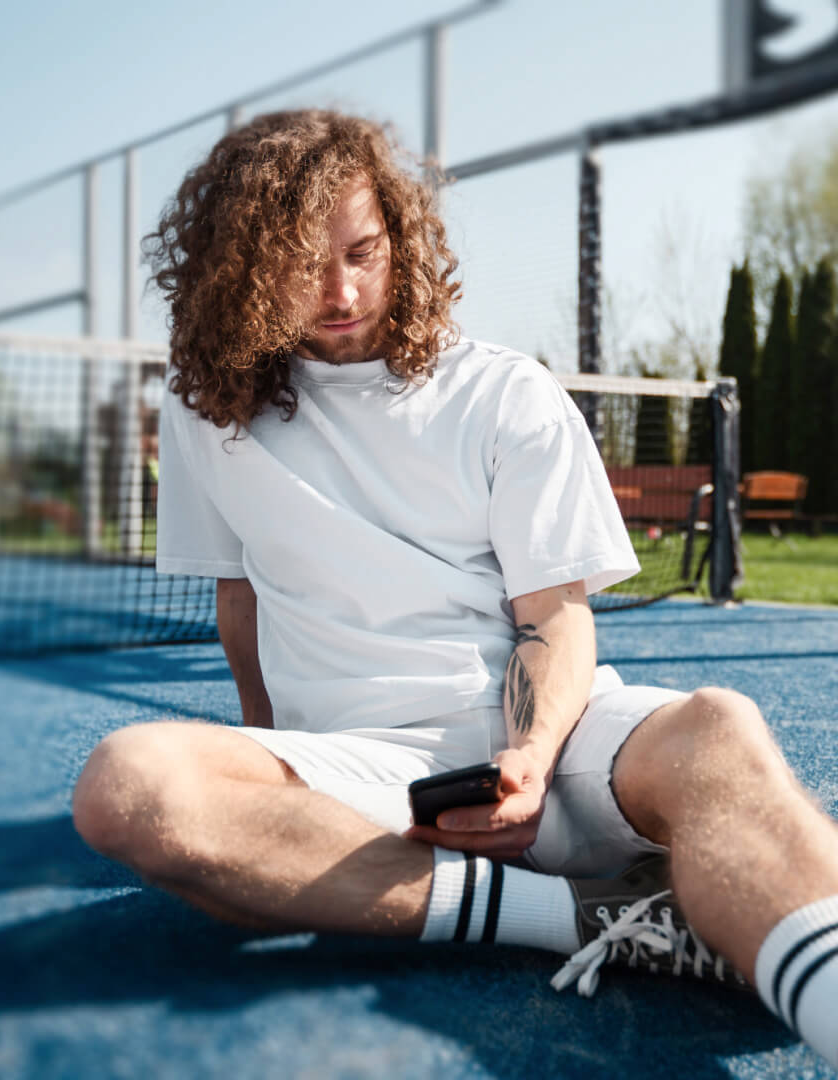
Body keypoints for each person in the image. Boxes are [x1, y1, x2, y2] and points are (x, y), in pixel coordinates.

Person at [68, 108, 838, 1061]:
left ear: (400, 236)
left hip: (554, 743)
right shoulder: (205, 414)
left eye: (363, 250)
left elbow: (556, 619)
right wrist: (272, 767)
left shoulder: (506, 393)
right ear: (244, 265)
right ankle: (573, 917)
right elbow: (242, 604)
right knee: (129, 788)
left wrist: (527, 757)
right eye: (304, 263)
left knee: (719, 729)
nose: (342, 290)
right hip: (368, 778)